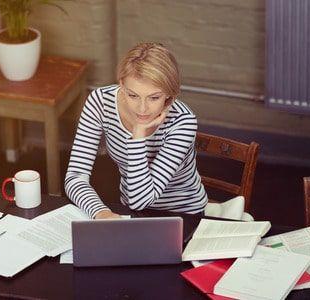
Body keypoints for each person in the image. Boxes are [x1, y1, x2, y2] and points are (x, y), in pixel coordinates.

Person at [65, 42, 208, 219]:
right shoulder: (101, 102)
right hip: (131, 210)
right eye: (132, 95)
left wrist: (138, 136)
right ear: (121, 84)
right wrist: (100, 212)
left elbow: (140, 199)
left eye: (154, 97)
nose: (142, 109)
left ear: (169, 94)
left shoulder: (183, 122)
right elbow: (75, 177)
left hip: (182, 214)